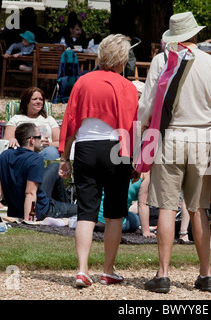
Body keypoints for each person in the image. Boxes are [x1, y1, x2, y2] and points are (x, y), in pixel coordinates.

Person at [138, 11, 211, 293]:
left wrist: (143, 135)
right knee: (199, 208)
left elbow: (147, 106)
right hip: (203, 138)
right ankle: (206, 273)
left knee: (166, 206)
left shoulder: (162, 61)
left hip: (170, 137)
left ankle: (163, 274)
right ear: (196, 34)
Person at [58, 34, 138, 288]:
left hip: (85, 148)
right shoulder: (127, 86)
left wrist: (64, 157)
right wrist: (136, 161)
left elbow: (71, 121)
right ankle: (108, 270)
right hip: (116, 148)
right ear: (122, 59)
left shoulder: (83, 82)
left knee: (86, 212)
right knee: (115, 214)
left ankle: (82, 270)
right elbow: (132, 127)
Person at [0, 123, 77, 221]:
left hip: (15, 210)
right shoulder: (35, 159)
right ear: (32, 140)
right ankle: (64, 210)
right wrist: (27, 219)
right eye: (39, 137)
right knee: (84, 209)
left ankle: (64, 205)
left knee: (54, 167)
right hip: (40, 210)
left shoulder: (4, 155)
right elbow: (30, 193)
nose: (41, 140)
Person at [3, 87, 60, 161]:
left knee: (51, 151)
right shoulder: (16, 119)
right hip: (22, 153)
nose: (39, 101)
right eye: (35, 99)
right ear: (26, 102)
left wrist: (49, 144)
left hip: (44, 151)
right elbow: (6, 140)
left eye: (41, 99)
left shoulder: (49, 120)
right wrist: (12, 139)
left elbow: (60, 143)